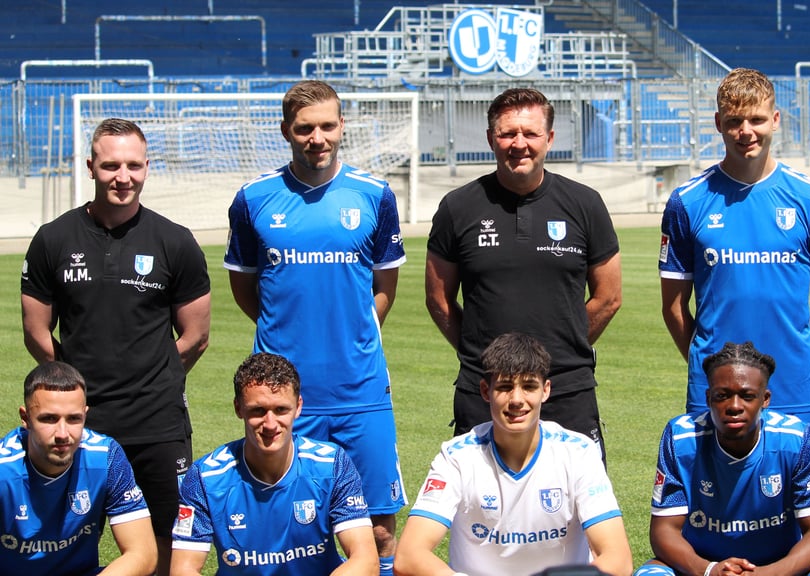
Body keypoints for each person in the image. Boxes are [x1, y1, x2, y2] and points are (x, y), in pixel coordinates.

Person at [224, 79, 406, 575]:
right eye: (305, 128)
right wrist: (284, 331)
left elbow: (384, 284)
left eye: (327, 126)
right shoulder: (254, 198)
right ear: (287, 130)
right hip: (283, 394)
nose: (317, 138)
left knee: (379, 527)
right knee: (288, 520)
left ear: (341, 126)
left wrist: (356, 334)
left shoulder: (374, 194)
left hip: (359, 388)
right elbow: (248, 291)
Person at [20, 117, 211, 575]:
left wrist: (156, 376)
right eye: (110, 166)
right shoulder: (53, 238)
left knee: (166, 538)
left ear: (147, 167)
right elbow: (36, 331)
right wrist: (72, 392)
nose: (122, 177)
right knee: (58, 532)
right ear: (90, 167)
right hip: (82, 424)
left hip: (157, 423)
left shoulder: (175, 241)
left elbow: (196, 335)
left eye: (132, 165)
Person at [659, 68, 810, 477]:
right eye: (734, 122)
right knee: (713, 509)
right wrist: (709, 365)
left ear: (775, 120)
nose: (746, 131)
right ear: (718, 125)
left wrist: (795, 356)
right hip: (716, 391)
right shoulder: (687, 202)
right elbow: (673, 307)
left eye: (757, 120)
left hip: (795, 385)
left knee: (806, 511)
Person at [425, 88, 622, 455]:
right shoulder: (457, 207)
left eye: (530, 134)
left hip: (567, 389)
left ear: (549, 138)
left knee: (579, 511)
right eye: (507, 133)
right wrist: (485, 358)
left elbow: (609, 297)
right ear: (490, 139)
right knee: (478, 509)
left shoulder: (585, 204)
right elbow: (438, 299)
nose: (519, 144)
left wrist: (562, 349)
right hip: (484, 390)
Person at [394, 333, 633, 576]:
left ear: (545, 390)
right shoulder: (457, 457)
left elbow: (618, 560)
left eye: (529, 386)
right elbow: (408, 557)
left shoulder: (578, 453)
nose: (517, 399)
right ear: (486, 391)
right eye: (505, 387)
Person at [634, 342, 810, 576]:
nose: (734, 406)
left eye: (747, 396)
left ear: (765, 399)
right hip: (703, 565)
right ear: (708, 398)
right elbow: (664, 531)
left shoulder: (796, 439)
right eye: (722, 396)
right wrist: (709, 570)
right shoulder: (680, 438)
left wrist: (764, 574)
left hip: (779, 566)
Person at [170, 352, 378, 576]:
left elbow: (365, 560)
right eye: (258, 411)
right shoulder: (205, 477)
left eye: (281, 410)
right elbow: (183, 569)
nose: (270, 424)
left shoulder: (332, 464)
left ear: (298, 407)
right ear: (238, 408)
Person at [0, 361, 156, 575]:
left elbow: (142, 554)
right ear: (26, 418)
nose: (63, 433)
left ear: (85, 414)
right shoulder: (4, 468)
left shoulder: (106, 457)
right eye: (49, 419)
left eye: (74, 419)